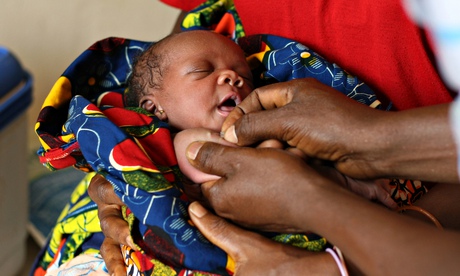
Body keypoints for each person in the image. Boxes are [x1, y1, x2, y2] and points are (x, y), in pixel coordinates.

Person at [90, 0, 460, 275]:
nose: (233, 78)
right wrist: (122, 183)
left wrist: (326, 216)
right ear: (155, 108)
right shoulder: (182, 140)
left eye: (241, 73)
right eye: (204, 70)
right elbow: (178, 45)